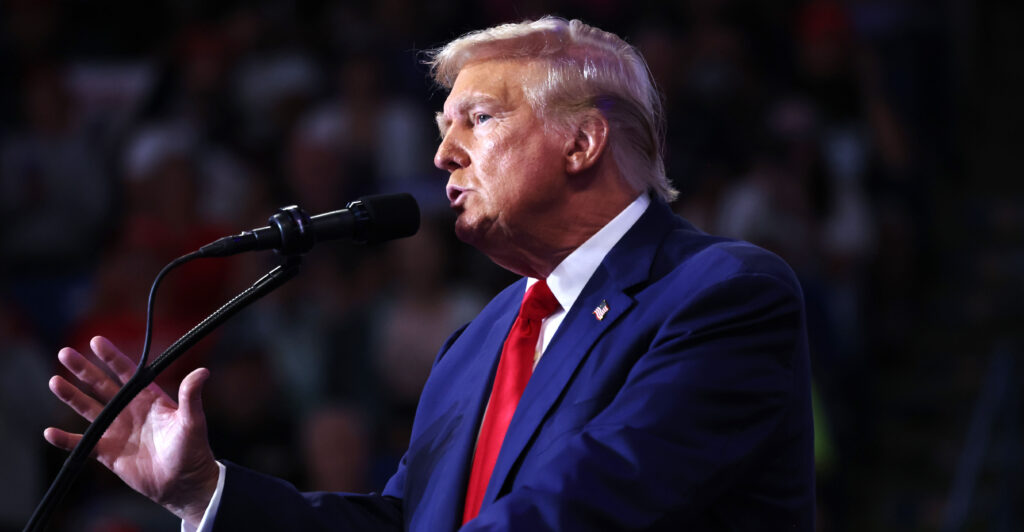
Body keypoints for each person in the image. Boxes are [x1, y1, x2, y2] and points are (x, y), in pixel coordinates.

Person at [45, 17, 815, 531]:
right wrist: (206, 490)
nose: (443, 155)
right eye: (442, 129)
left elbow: (586, 508)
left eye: (477, 120)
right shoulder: (476, 344)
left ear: (583, 143)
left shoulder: (720, 295)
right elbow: (407, 521)